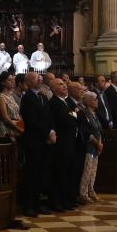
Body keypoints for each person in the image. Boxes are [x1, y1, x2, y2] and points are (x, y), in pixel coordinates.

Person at [19, 70, 55, 215]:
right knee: (32, 174)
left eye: (40, 78)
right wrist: (47, 132)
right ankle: (28, 205)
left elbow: (49, 117)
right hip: (33, 141)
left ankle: (38, 203)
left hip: (44, 141)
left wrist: (52, 131)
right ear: (28, 82)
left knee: (42, 173)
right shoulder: (27, 98)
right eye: (36, 78)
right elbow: (32, 121)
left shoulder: (43, 97)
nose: (40, 80)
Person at [49, 77, 79, 210]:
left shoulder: (68, 102)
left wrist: (73, 114)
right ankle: (57, 202)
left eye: (65, 84)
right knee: (59, 173)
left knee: (69, 173)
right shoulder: (54, 103)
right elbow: (65, 120)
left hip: (72, 142)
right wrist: (73, 115)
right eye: (61, 85)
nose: (65, 86)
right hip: (62, 144)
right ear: (54, 89)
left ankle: (68, 199)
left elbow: (77, 117)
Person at [77, 91, 104, 202]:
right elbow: (86, 131)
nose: (97, 101)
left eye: (97, 99)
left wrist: (100, 143)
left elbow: (98, 130)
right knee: (87, 171)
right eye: (94, 99)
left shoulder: (95, 113)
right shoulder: (83, 113)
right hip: (88, 145)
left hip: (96, 145)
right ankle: (83, 193)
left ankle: (91, 190)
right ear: (87, 102)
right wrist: (97, 143)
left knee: (93, 171)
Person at [0, 72, 23, 140]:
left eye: (13, 79)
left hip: (15, 127)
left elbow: (17, 114)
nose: (13, 81)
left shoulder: (10, 96)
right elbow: (5, 118)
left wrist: (21, 126)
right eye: (9, 80)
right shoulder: (1, 96)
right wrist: (18, 128)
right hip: (6, 129)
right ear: (3, 82)